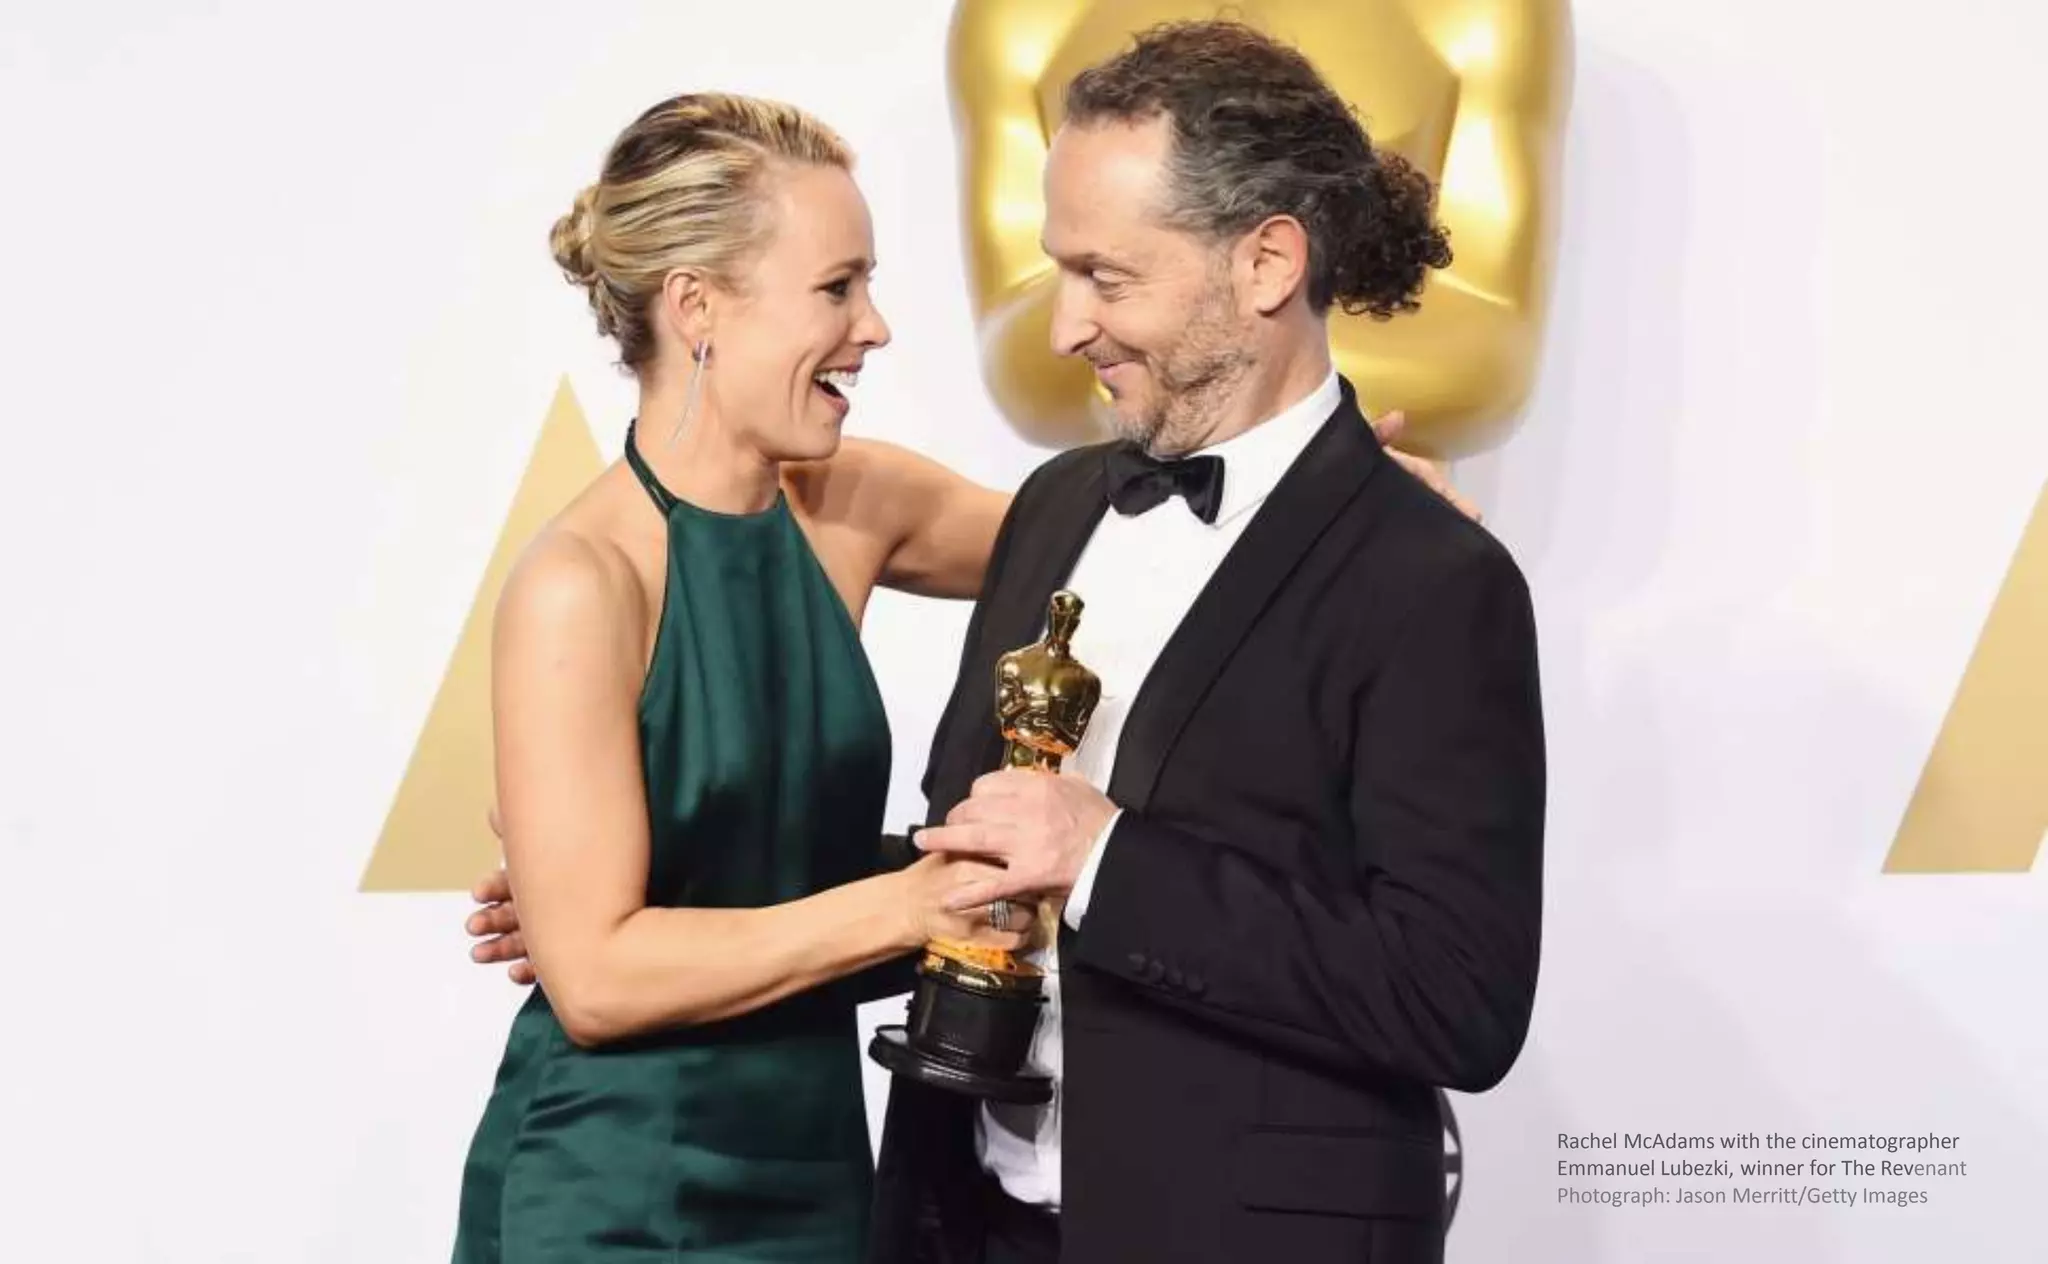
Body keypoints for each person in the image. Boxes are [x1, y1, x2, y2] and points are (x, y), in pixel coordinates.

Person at [450, 85, 1464, 1263]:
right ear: (697, 307)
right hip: (617, 1185)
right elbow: (596, 982)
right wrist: (906, 905)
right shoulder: (580, 581)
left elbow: (1152, 539)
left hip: (821, 1171)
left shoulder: (856, 502)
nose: (874, 326)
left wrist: (1347, 496)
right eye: (836, 288)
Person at [883, 21, 1547, 1264]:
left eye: (1105, 276)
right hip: (969, 1223)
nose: (1065, 326)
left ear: (1265, 263)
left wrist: (1105, 859)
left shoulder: (1431, 580)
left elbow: (1455, 995)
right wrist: (646, 909)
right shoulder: (1054, 507)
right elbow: (963, 854)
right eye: (1059, 273)